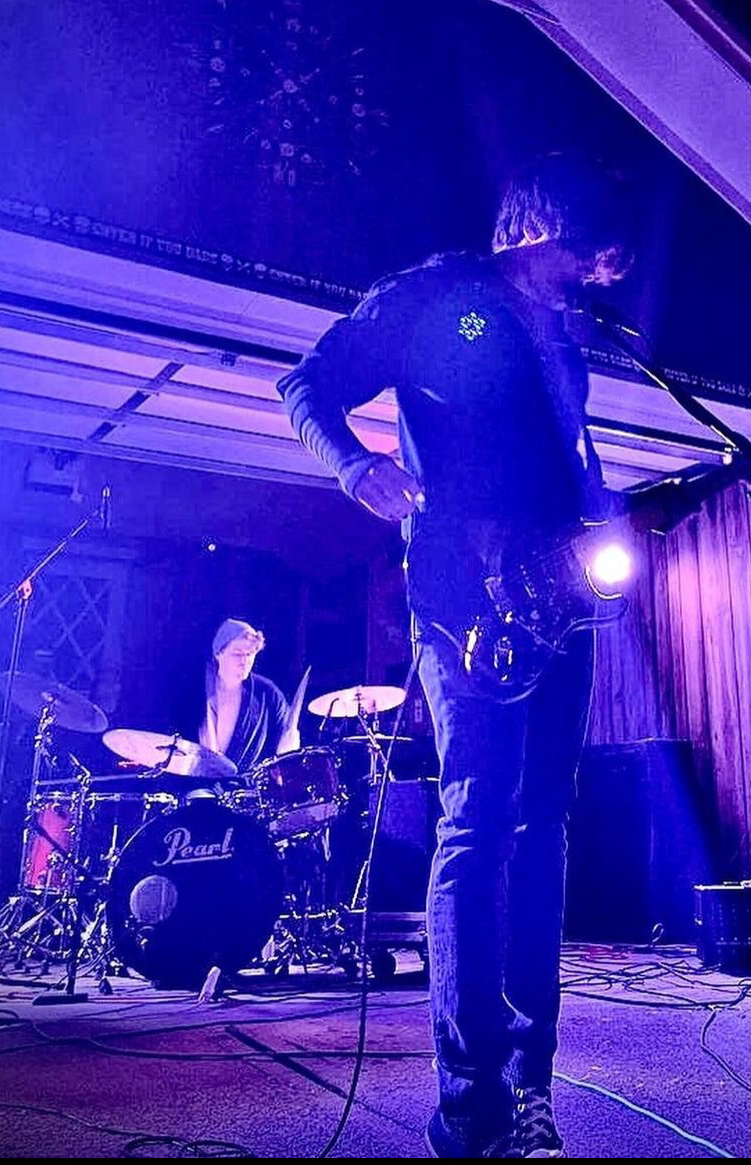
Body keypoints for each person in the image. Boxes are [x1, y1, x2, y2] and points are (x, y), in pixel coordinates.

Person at [278, 151, 637, 1157]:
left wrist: (602, 517)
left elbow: (562, 462)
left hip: (557, 602)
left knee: (545, 828)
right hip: (461, 598)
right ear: (533, 228)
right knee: (478, 821)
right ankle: (471, 1102)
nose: (587, 280)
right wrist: (354, 465)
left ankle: (530, 1083)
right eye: (579, 258)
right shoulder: (437, 294)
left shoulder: (564, 340)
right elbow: (305, 381)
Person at [195, 618, 300, 775]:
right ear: (218, 653)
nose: (244, 661)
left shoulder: (267, 693)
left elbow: (286, 739)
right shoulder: (197, 691)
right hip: (197, 782)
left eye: (250, 654)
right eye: (237, 654)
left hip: (245, 785)